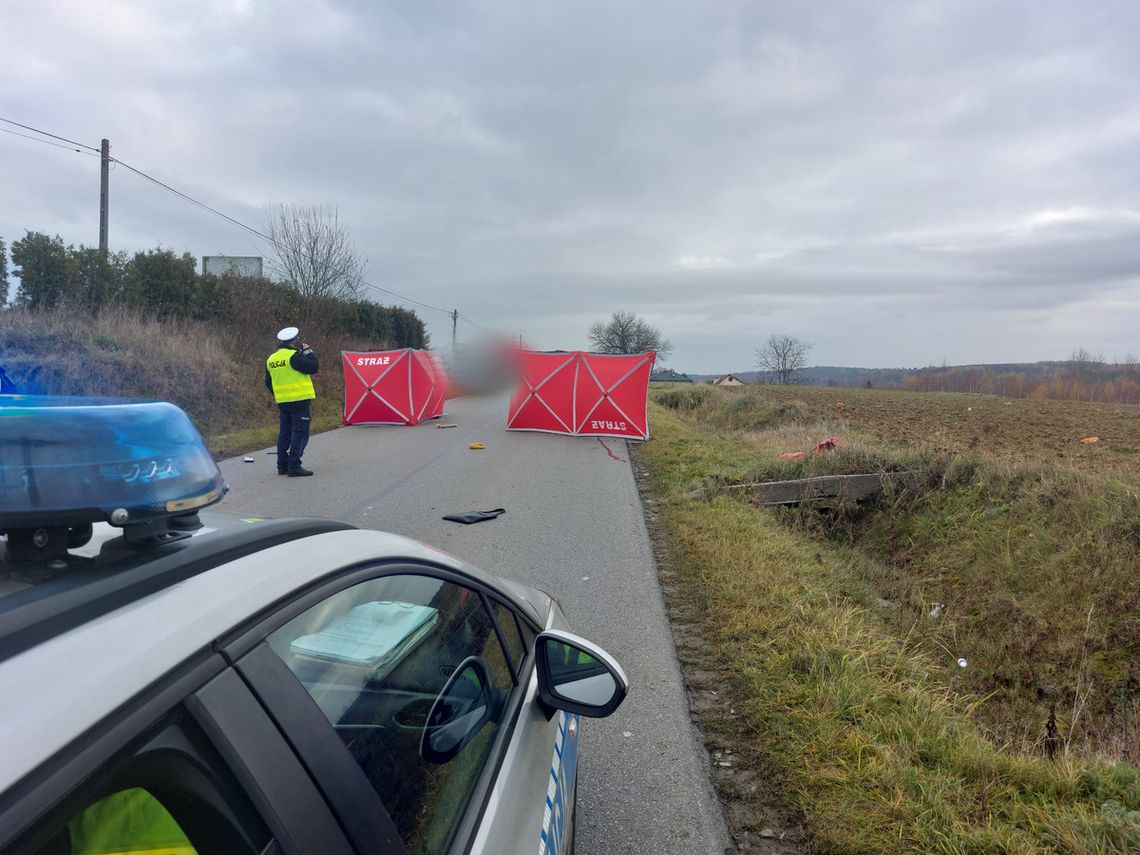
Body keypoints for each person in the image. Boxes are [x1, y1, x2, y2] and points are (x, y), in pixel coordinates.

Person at [265, 326, 319, 476]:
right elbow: (313, 367)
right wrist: (308, 351)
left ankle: (282, 465)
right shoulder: (294, 356)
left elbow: (268, 382)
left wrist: (280, 394)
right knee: (300, 433)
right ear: (295, 342)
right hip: (300, 400)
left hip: (283, 402)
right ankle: (294, 465)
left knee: (285, 434)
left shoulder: (271, 359)